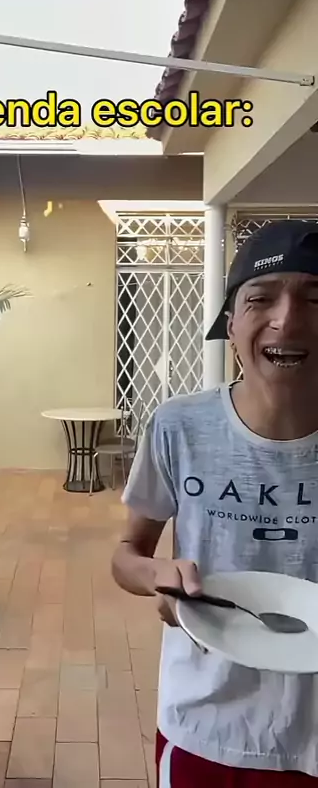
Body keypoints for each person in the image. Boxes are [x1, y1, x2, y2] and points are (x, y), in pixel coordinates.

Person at [111, 219, 318, 786]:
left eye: (314, 298)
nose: (287, 320)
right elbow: (127, 554)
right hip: (206, 723)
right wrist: (157, 576)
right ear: (231, 324)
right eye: (261, 298)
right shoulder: (180, 427)